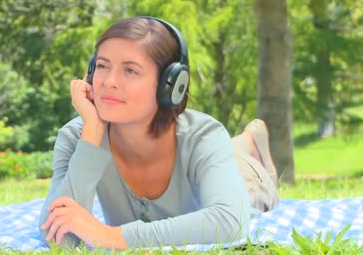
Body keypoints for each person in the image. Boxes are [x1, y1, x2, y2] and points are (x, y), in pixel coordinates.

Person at [39, 16, 279, 250]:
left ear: (171, 85)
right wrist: (92, 133)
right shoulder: (78, 136)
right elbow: (59, 239)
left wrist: (112, 236)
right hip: (206, 156)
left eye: (131, 70)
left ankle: (248, 142)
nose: (109, 81)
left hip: (243, 175)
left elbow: (230, 222)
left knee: (248, 190)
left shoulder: (204, 135)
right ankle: (241, 143)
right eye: (102, 66)